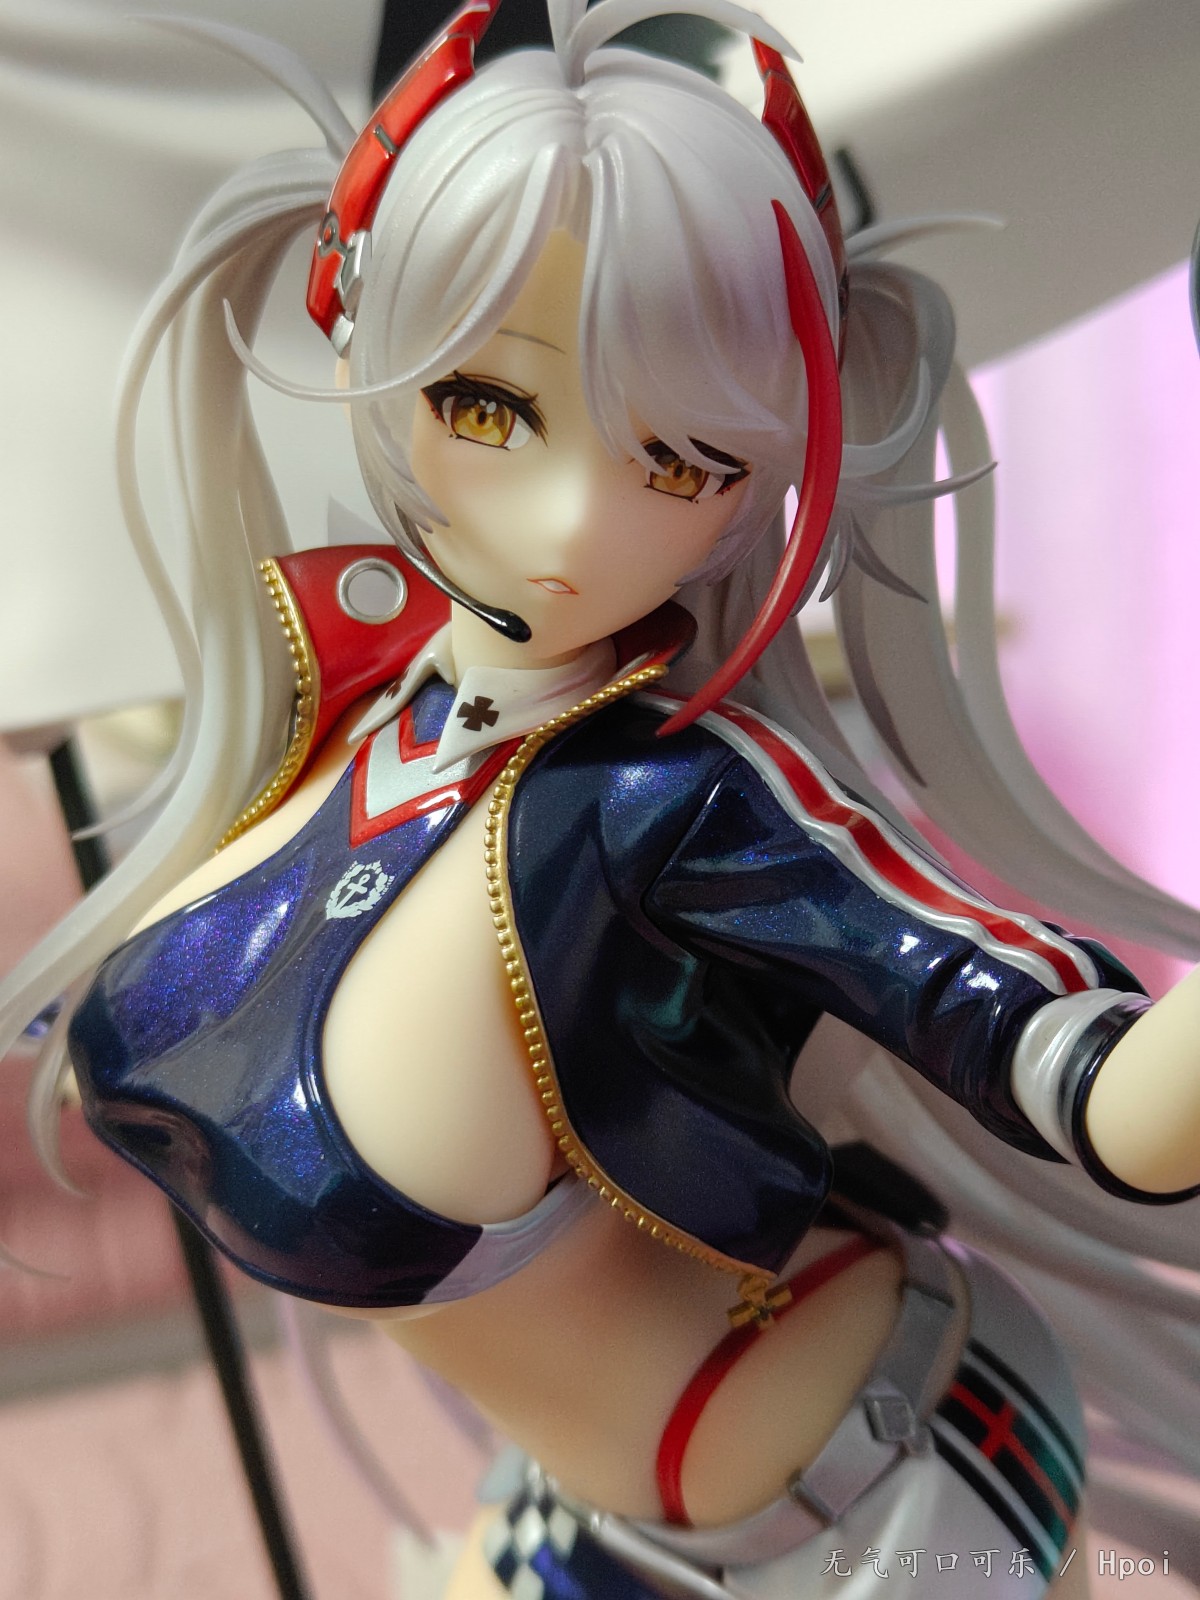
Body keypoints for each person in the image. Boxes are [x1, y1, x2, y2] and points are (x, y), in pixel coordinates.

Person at [2, 2, 1199, 1595]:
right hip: (581, 1517)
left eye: (682, 462)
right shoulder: (342, 678)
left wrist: (1130, 1070)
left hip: (867, 1500)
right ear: (363, 346)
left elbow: (1086, 1084)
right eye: (488, 406)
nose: (572, 519)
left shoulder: (674, 797)